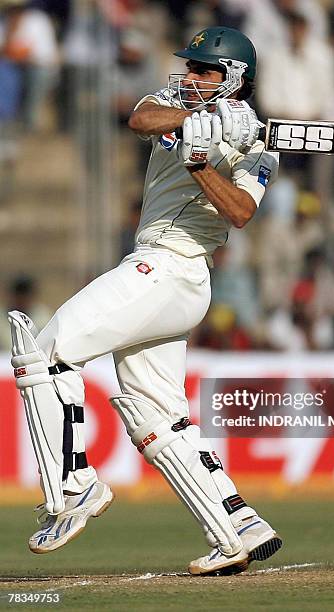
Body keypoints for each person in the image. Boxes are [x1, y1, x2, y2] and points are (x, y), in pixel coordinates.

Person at [8, 26, 281, 576]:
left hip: (174, 269)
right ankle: (235, 525)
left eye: (204, 71)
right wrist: (194, 122)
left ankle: (72, 488)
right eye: (191, 67)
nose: (191, 77)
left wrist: (205, 161)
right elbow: (139, 120)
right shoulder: (171, 103)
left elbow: (240, 213)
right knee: (154, 414)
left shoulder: (262, 147)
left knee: (43, 354)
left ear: (234, 78)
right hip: (163, 278)